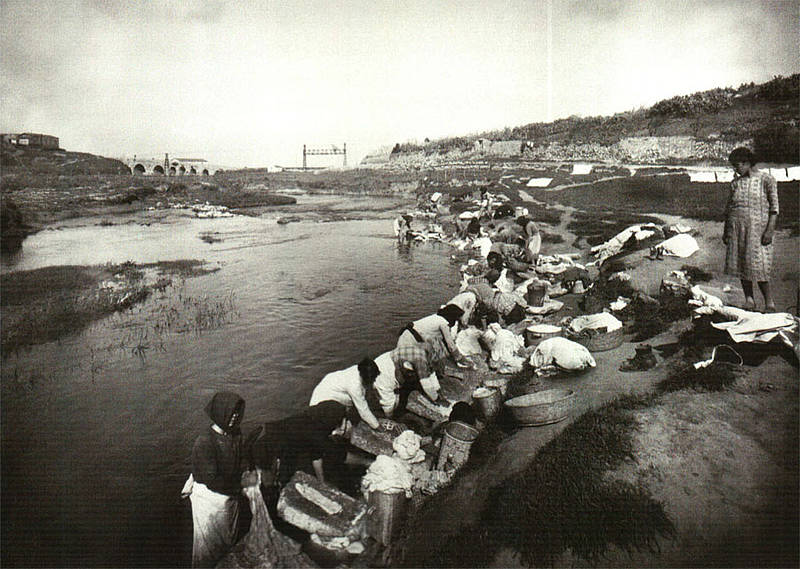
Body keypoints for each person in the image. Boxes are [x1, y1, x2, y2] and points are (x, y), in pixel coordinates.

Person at [189, 391, 247, 568]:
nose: (234, 417)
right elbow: (212, 480)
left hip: (230, 495)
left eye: (237, 413)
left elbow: (241, 457)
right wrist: (240, 488)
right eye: (230, 413)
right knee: (209, 546)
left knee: (230, 538)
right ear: (220, 413)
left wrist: (247, 472)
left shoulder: (235, 434)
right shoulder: (205, 442)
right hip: (210, 499)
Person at [723, 147, 779, 311]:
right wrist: (726, 231)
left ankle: (769, 302)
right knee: (742, 263)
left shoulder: (767, 180)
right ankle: (749, 300)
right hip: (737, 229)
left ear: (747, 162)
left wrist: (769, 230)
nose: (735, 169)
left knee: (760, 265)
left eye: (737, 165)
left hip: (758, 231)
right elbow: (729, 209)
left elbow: (774, 208)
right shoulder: (735, 183)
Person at [250, 401, 348, 487]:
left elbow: (316, 456)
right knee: (267, 483)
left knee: (278, 478)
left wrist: (321, 482)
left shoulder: (309, 419)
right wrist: (363, 461)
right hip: (266, 447)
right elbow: (340, 454)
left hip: (266, 438)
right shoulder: (315, 432)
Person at [309, 357, 381, 430]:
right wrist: (377, 426)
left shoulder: (360, 369)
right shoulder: (354, 385)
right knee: (341, 426)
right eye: (372, 379)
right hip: (322, 403)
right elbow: (363, 410)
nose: (374, 381)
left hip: (328, 390)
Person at [398, 304, 467, 365]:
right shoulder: (443, 323)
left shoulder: (435, 317)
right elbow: (450, 345)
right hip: (410, 342)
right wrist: (460, 358)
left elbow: (445, 342)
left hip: (405, 336)